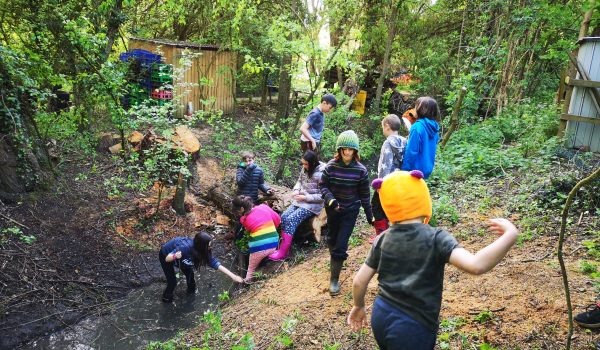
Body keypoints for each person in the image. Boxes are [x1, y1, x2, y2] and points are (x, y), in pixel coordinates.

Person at [347, 170, 519, 349]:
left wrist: (358, 306)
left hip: (381, 315)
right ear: (422, 198)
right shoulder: (436, 238)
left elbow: (359, 281)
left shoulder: (382, 238)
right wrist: (510, 235)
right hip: (414, 324)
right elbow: (476, 265)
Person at [320, 130, 373, 296]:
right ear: (340, 149)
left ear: (355, 151)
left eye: (351, 149)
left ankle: (334, 280)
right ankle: (336, 258)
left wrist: (369, 214)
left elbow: (365, 195)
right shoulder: (330, 167)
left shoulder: (361, 171)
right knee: (331, 239)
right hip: (333, 210)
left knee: (340, 245)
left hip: (350, 211)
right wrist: (331, 200)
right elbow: (323, 186)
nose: (348, 152)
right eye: (345, 149)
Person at [269, 150, 326, 261]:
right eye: (303, 163)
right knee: (284, 217)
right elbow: (299, 181)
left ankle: (283, 252)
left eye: (306, 164)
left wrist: (306, 198)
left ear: (313, 163)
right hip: (300, 199)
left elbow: (323, 195)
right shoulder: (305, 168)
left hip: (313, 204)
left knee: (291, 220)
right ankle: (284, 247)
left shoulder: (323, 173)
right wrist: (296, 190)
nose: (304, 166)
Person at [159, 231, 243, 303]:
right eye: (209, 245)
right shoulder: (184, 247)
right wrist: (175, 256)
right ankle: (166, 300)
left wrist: (234, 276)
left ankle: (190, 301)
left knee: (191, 281)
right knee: (172, 282)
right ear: (201, 245)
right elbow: (167, 258)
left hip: (184, 261)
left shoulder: (204, 251)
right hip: (166, 256)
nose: (210, 247)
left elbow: (216, 264)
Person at [370, 114, 407, 243]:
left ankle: (382, 235)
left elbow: (385, 163)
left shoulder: (387, 143)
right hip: (400, 179)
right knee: (393, 206)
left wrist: (380, 183)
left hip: (387, 181)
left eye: (382, 127)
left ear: (387, 126)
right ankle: (395, 232)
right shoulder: (404, 141)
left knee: (376, 205)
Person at [232, 195, 281, 282]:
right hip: (274, 243)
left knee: (251, 268)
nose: (238, 215)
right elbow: (278, 219)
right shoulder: (264, 207)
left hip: (258, 249)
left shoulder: (243, 219)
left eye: (237, 212)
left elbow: (250, 230)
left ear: (242, 209)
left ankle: (247, 280)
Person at [401, 96, 441, 179]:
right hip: (426, 171)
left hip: (413, 172)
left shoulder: (417, 127)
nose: (414, 109)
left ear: (422, 109)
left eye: (416, 107)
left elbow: (411, 151)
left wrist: (404, 171)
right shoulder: (435, 127)